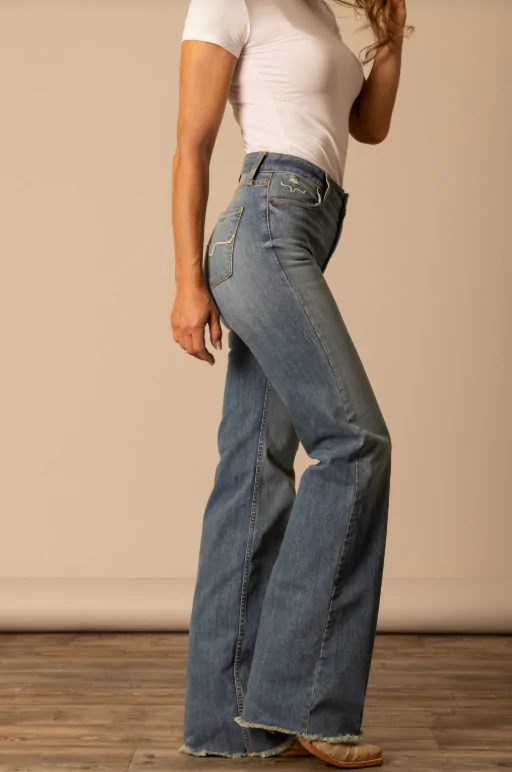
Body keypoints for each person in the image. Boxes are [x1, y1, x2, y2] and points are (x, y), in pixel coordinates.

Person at [171, 0, 411, 766]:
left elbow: (368, 126)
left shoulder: (316, 14)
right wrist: (186, 283)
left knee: (253, 468)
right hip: (266, 227)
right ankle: (306, 702)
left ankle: (228, 724)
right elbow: (191, 144)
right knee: (355, 444)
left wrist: (391, 35)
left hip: (304, 227)